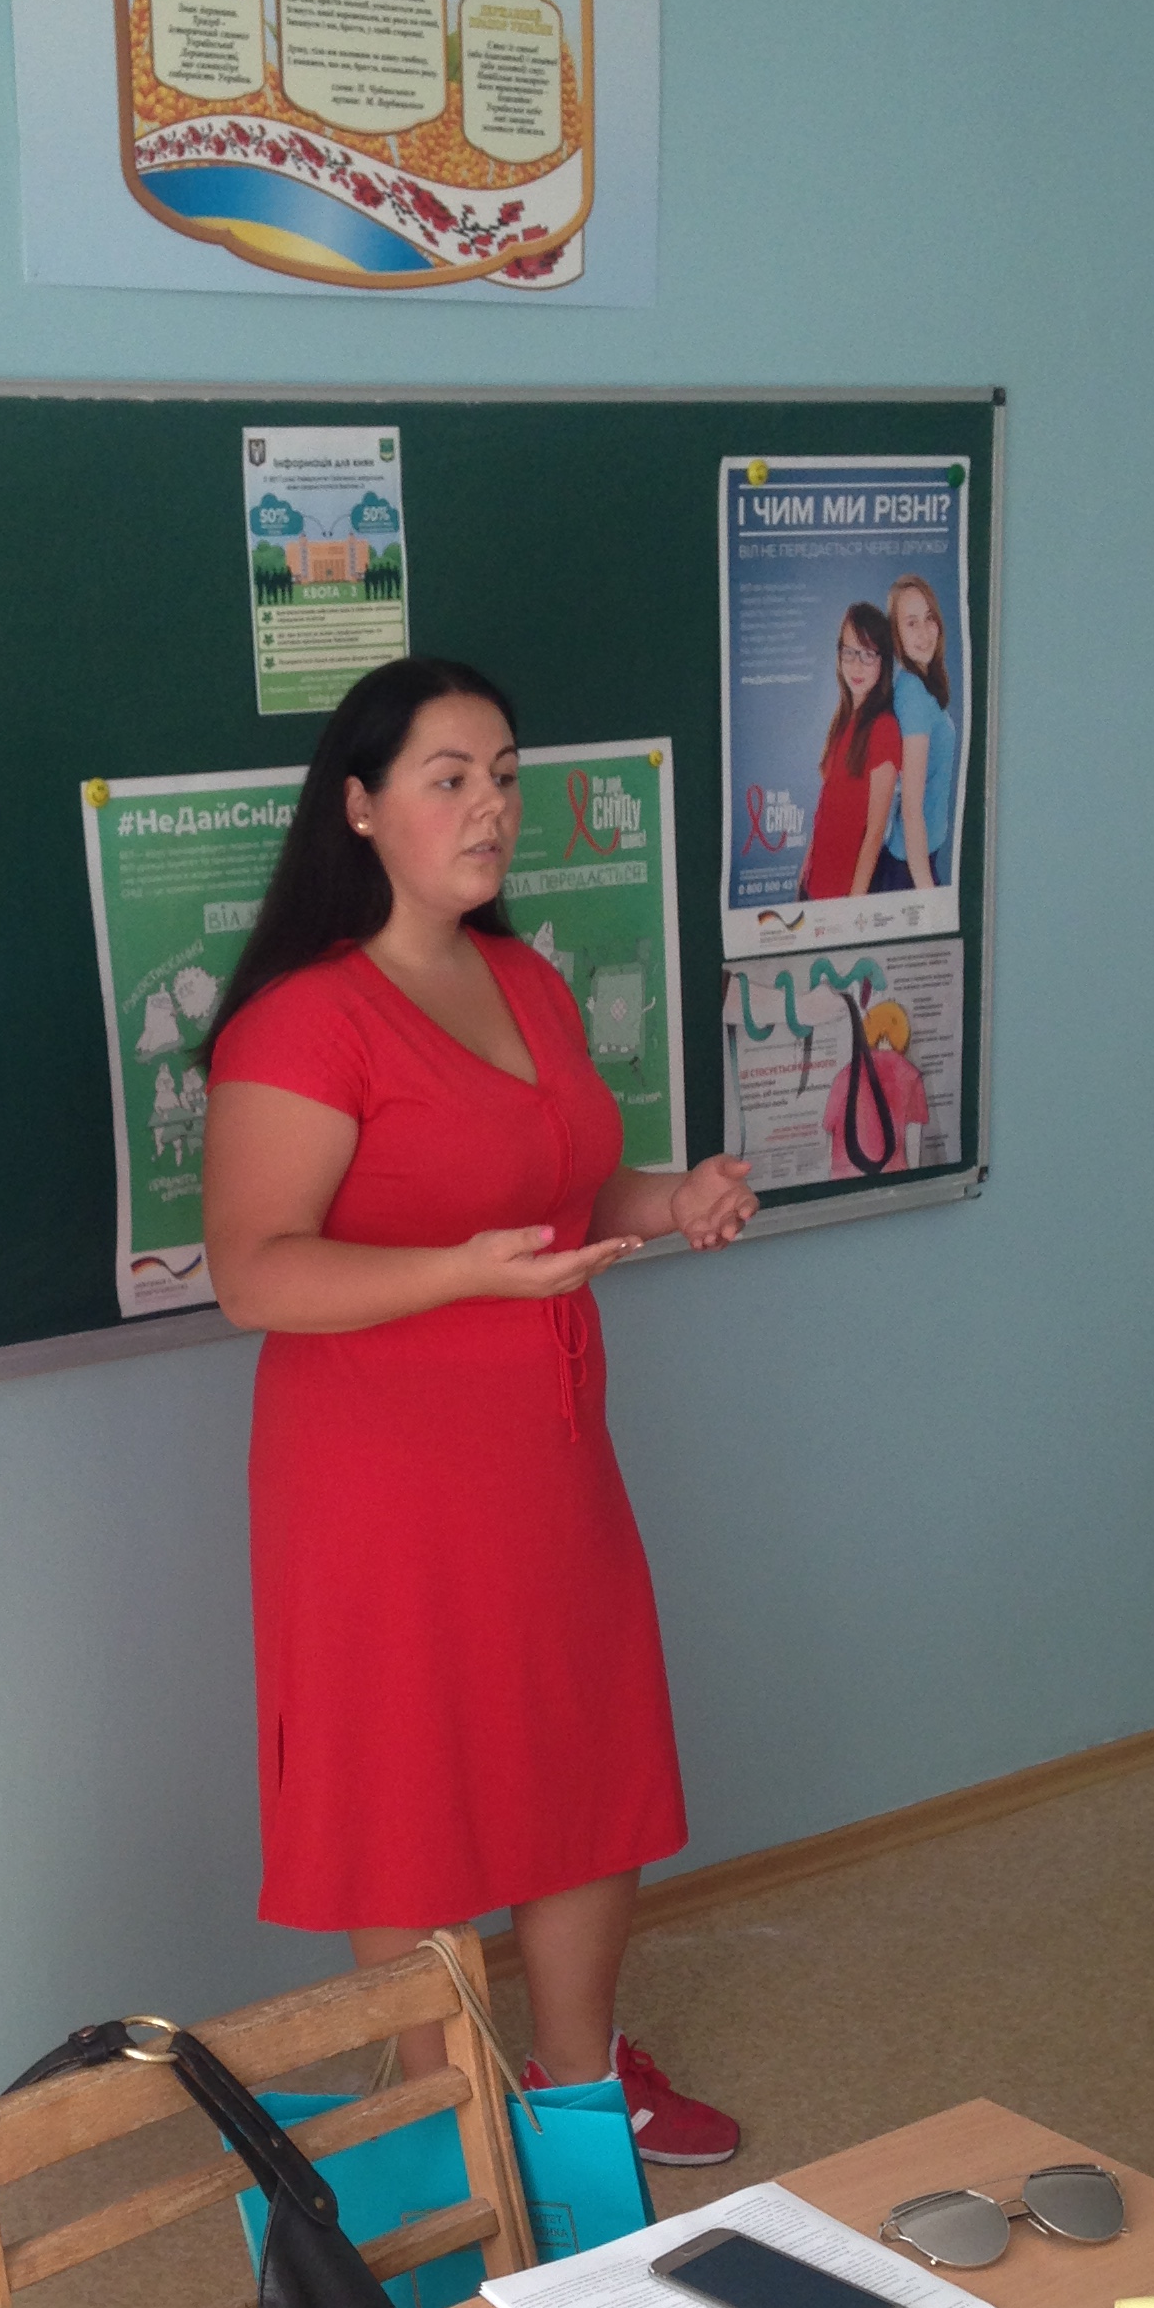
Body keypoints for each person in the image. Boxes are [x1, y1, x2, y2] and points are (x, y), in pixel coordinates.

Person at [201, 657, 755, 2164]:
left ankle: (578, 2087)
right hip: (379, 1479)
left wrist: (674, 1198)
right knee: (416, 1783)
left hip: (549, 1453)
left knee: (584, 1750)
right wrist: (458, 1272)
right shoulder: (304, 1021)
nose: (490, 806)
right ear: (360, 808)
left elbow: (565, 1194)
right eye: (448, 778)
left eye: (504, 775)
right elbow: (253, 1273)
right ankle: (447, 2113)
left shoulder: (527, 980)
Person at [800, 604, 902, 902]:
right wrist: (803, 873)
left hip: (843, 897)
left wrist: (853, 908)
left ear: (883, 661)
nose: (857, 666)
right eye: (849, 652)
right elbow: (826, 808)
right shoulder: (844, 718)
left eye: (868, 654)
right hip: (812, 886)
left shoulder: (884, 729)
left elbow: (874, 833)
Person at [878, 573, 957, 893]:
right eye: (911, 623)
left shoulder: (920, 685)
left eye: (929, 618)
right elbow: (911, 808)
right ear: (896, 634)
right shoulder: (913, 694)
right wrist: (927, 894)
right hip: (910, 868)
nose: (924, 633)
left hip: (920, 855)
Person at [823, 993, 930, 1178]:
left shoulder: (843, 1076)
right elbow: (913, 1144)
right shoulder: (910, 1075)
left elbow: (830, 1138)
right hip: (891, 1178)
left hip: (845, 1179)